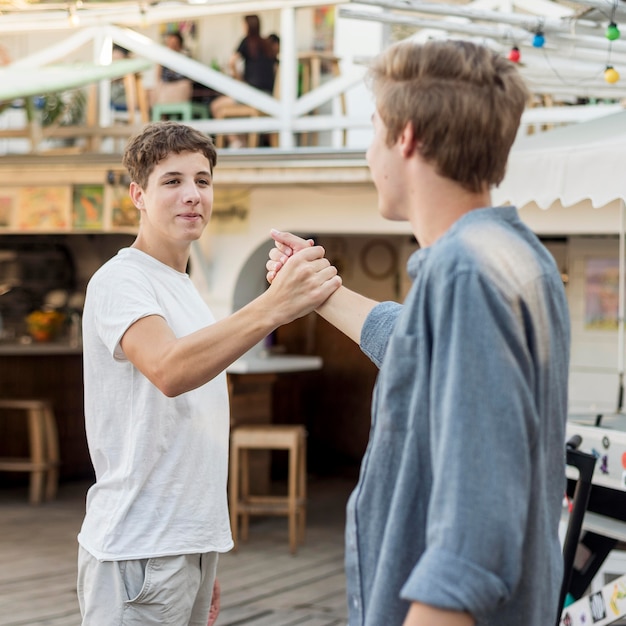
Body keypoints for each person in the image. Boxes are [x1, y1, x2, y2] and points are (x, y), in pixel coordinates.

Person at [266, 39, 570, 626]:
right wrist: (320, 290)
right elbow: (411, 340)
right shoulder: (516, 258)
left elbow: (473, 541)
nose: (367, 151)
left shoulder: (464, 275)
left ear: (405, 137)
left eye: (374, 129)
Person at [76, 121, 341, 626]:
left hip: (185, 549)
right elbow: (170, 370)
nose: (192, 194)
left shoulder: (182, 287)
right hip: (138, 549)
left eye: (202, 180)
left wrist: (201, 555)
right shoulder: (120, 279)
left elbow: (187, 425)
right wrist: (274, 306)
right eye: (172, 181)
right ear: (138, 194)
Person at [210, 15, 279, 148]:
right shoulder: (267, 44)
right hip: (268, 96)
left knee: (216, 106)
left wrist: (238, 78)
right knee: (234, 110)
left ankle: (236, 141)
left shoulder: (247, 42)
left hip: (251, 95)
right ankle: (242, 143)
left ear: (247, 26)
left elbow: (232, 62)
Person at [152, 31, 193, 106]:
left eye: (175, 43)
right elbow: (157, 78)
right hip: (166, 88)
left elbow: (189, 79)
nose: (172, 46)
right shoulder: (163, 61)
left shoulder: (185, 59)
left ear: (180, 45)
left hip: (180, 89)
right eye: (170, 43)